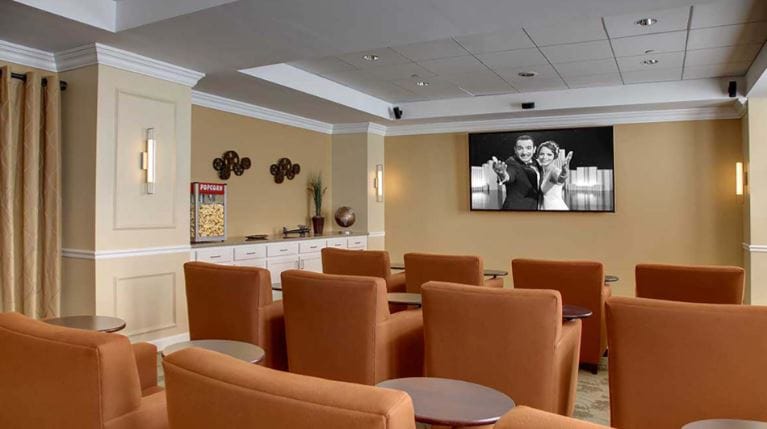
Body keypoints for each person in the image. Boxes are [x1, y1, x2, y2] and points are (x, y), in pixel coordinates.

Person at [490, 135, 540, 210]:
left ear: (534, 149)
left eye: (528, 148)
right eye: (520, 148)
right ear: (515, 150)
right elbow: (508, 176)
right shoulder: (511, 162)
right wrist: (501, 173)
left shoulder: (536, 162)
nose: (524, 152)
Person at [535, 140, 572, 211]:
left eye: (549, 154)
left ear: (554, 156)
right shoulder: (542, 171)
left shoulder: (554, 171)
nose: (544, 157)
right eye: (542, 154)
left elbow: (560, 178)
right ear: (538, 155)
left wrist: (564, 172)